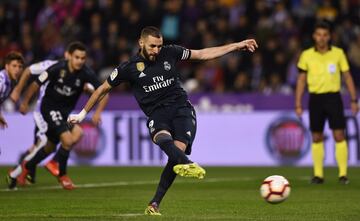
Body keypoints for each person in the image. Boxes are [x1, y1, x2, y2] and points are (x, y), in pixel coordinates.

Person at [68, 26, 258, 215]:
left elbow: (202, 54)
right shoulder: (128, 68)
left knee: (176, 151)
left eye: (159, 46)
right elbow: (102, 89)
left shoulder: (170, 52)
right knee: (162, 138)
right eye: (152, 46)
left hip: (181, 108)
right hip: (157, 112)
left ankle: (155, 203)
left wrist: (236, 46)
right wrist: (82, 114)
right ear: (141, 43)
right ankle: (185, 162)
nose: (156, 50)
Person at [6, 41, 109, 190]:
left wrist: (98, 112)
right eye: (77, 57)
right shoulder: (57, 68)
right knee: (67, 140)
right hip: (49, 109)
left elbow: (103, 91)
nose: (80, 61)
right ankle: (62, 174)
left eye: (82, 58)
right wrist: (25, 103)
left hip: (65, 113)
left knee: (51, 146)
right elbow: (36, 83)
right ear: (69, 57)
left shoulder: (86, 73)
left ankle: (21, 169)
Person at [295, 21, 358, 185]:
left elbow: (347, 77)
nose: (321, 38)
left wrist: (353, 99)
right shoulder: (306, 55)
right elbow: (301, 81)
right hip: (315, 98)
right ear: (314, 37)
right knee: (316, 136)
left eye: (324, 35)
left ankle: (343, 174)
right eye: (318, 35)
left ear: (329, 37)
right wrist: (298, 104)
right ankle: (318, 175)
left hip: (333, 97)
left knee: (339, 135)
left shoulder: (338, 53)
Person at [0, 52, 24, 129]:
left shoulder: (9, 82)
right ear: (7, 66)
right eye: (14, 66)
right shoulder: (1, 80)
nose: (17, 69)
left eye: (20, 67)